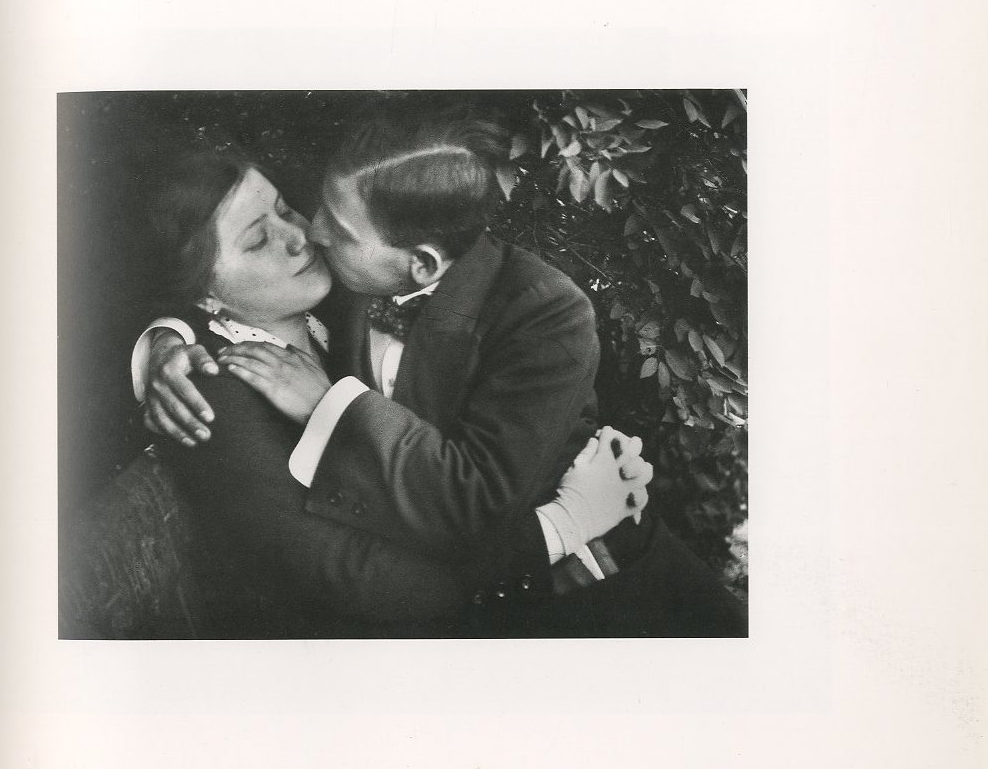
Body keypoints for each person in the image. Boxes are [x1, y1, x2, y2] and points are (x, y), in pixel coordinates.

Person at [139, 104, 747, 638]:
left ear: (422, 266)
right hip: (495, 605)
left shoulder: (542, 311)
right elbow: (197, 269)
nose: (309, 232)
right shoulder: (342, 268)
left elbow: (477, 499)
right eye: (262, 236)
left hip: (615, 590)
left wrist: (327, 402)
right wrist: (166, 339)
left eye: (294, 214)